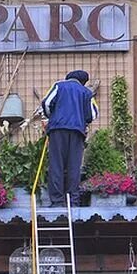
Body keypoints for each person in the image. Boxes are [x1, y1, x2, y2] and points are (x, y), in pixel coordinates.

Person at [39, 69, 98, 206]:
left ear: (68, 78)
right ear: (83, 81)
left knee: (56, 165)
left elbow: (47, 103)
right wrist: (83, 120)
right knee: (74, 166)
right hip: (77, 132)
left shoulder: (59, 86)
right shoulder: (86, 92)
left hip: (57, 130)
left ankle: (57, 201)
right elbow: (93, 114)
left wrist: (51, 117)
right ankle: (73, 201)